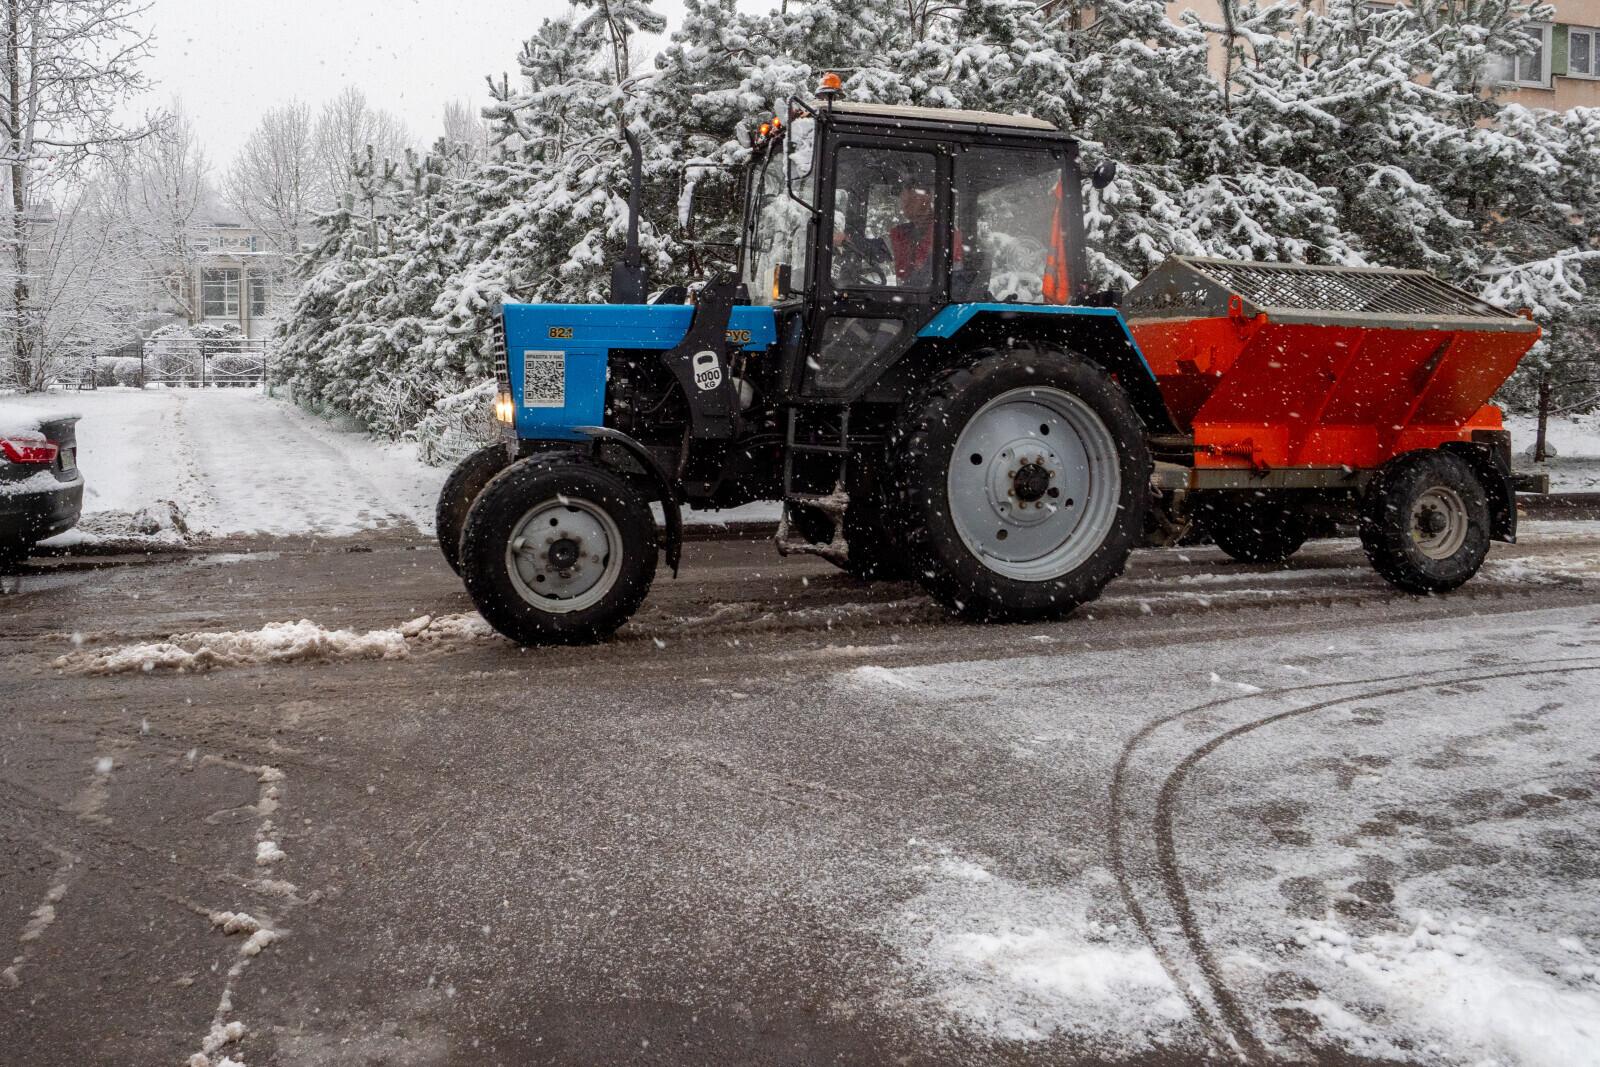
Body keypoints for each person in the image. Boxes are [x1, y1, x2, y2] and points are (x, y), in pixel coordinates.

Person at [834, 183, 959, 288]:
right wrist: (847, 240)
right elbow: (878, 249)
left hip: (923, 301)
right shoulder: (906, 231)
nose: (904, 206)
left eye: (910, 201)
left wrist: (847, 240)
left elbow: (935, 278)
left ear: (926, 200)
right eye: (903, 201)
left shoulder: (944, 233)